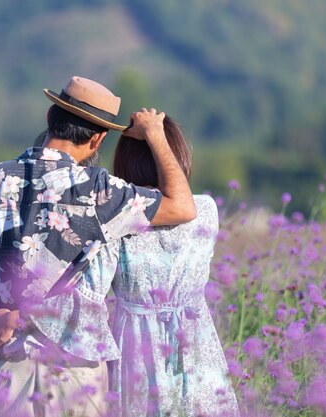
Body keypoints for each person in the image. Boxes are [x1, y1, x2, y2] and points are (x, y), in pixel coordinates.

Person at [0, 76, 196, 416]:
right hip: (74, 370)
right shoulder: (100, 190)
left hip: (3, 366)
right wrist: (155, 133)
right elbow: (183, 206)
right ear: (97, 139)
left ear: (51, 116)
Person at [100, 116, 240, 416]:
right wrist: (156, 136)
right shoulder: (205, 210)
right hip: (194, 341)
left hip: (135, 344)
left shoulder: (120, 216)